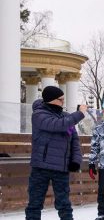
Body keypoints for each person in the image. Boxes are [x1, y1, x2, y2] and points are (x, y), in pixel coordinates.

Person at [25, 86, 86, 220]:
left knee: (64, 205)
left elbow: (74, 140)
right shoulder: (39, 115)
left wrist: (76, 160)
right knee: (35, 204)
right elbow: (57, 125)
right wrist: (79, 113)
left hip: (61, 168)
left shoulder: (66, 117)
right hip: (41, 167)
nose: (63, 102)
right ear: (52, 100)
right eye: (61, 99)